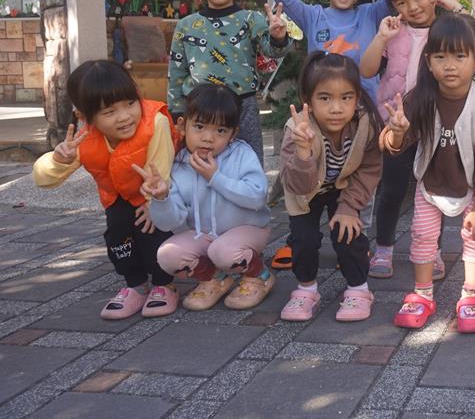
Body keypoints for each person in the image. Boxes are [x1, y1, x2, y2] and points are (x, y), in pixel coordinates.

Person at [269, 0, 387, 271]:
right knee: (315, 169)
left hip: (362, 115)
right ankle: (303, 233)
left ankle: (355, 238)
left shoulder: (371, 13)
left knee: (359, 174)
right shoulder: (313, 16)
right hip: (320, 118)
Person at [379, 14, 475, 333]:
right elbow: (393, 145)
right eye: (440, 57)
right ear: (428, 61)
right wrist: (397, 132)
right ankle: (422, 294)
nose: (450, 66)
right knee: (422, 235)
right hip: (430, 183)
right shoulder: (419, 98)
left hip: (474, 186)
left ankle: (472, 296)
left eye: (459, 56)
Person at [33, 60, 179, 319]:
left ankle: (164, 284)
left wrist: (152, 203)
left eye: (130, 103)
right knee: (118, 232)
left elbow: (161, 165)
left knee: (151, 230)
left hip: (157, 192)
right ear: (84, 116)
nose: (124, 116)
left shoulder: (155, 122)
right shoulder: (84, 138)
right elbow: (44, 180)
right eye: (109, 111)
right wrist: (58, 160)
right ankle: (135, 285)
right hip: (117, 197)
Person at [360, 0, 464, 280]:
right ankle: (384, 247)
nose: (413, 7)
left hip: (436, 124)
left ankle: (431, 250)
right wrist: (381, 39)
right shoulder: (394, 31)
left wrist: (458, 9)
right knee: (391, 189)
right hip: (397, 124)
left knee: (433, 190)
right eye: (402, 2)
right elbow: (366, 69)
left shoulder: (448, 30)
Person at [146, 84, 275, 311]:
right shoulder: (178, 164)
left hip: (249, 230)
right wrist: (162, 198)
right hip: (205, 235)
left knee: (222, 251)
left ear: (233, 134)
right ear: (182, 126)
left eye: (221, 131)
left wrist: (215, 177)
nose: (208, 138)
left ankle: (258, 275)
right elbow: (169, 223)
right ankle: (215, 278)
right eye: (199, 126)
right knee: (167, 255)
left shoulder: (242, 154)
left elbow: (257, 197)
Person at [277, 52, 383, 322]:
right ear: (309, 101)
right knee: (303, 239)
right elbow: (297, 186)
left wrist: (349, 207)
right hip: (305, 192)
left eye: (346, 97)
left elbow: (369, 169)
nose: (336, 108)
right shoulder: (297, 130)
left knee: (348, 232)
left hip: (343, 187)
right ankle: (306, 289)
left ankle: (359, 289)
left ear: (357, 98)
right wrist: (303, 154)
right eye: (325, 98)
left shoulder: (365, 125)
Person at [167, 0, 291, 165]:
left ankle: (248, 189)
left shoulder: (251, 19)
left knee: (249, 161)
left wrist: (278, 36)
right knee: (199, 162)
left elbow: (272, 51)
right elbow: (176, 71)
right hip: (201, 109)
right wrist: (176, 111)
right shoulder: (186, 25)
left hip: (243, 104)